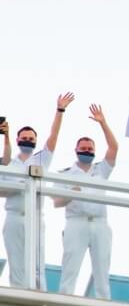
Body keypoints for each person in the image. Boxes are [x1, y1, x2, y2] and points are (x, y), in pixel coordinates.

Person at [0, 92, 75, 289]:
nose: (27, 140)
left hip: (35, 217)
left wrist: (60, 111)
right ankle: (18, 300)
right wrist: (5, 136)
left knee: (36, 264)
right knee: (16, 263)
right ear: (17, 140)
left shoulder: (41, 159)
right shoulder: (8, 162)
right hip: (14, 216)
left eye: (31, 138)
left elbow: (54, 136)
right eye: (24, 137)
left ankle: (39, 296)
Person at [52, 104, 118, 299]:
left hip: (100, 223)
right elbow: (56, 202)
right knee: (70, 267)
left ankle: (104, 305)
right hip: (76, 222)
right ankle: (64, 301)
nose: (87, 151)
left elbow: (114, 148)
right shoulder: (64, 174)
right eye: (83, 148)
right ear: (76, 150)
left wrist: (103, 123)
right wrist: (73, 191)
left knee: (102, 270)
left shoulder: (101, 170)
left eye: (90, 149)